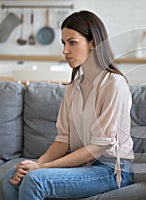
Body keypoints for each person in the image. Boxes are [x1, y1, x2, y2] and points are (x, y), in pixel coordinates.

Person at [2, 10, 134, 200]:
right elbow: (63, 140)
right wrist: (35, 164)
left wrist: (42, 168)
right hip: (83, 166)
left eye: (72, 42)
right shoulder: (73, 88)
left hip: (112, 170)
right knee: (10, 177)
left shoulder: (114, 84)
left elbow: (99, 147)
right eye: (64, 43)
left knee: (35, 180)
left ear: (93, 43)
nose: (65, 50)